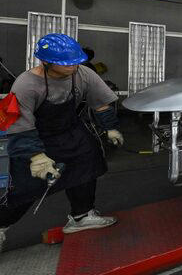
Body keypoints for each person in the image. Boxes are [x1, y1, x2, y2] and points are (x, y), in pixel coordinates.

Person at [0, 34, 122, 252]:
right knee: (27, 188)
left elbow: (101, 103)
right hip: (34, 136)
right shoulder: (26, 85)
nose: (73, 66)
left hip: (69, 131)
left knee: (87, 163)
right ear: (46, 62)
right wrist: (37, 158)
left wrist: (110, 127)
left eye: (76, 61)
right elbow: (20, 125)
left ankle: (81, 216)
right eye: (67, 63)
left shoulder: (82, 73)